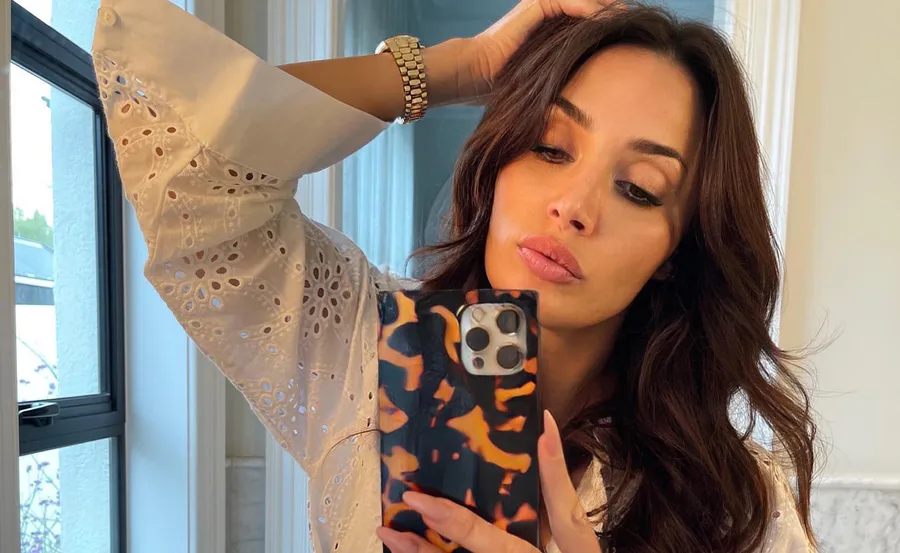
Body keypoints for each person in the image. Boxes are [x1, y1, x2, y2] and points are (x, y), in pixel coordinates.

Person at [91, 0, 818, 551]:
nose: (575, 207)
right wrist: (456, 68)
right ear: (499, 159)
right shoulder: (365, 343)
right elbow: (184, 154)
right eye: (549, 146)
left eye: (638, 188)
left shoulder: (738, 504)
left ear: (675, 251)